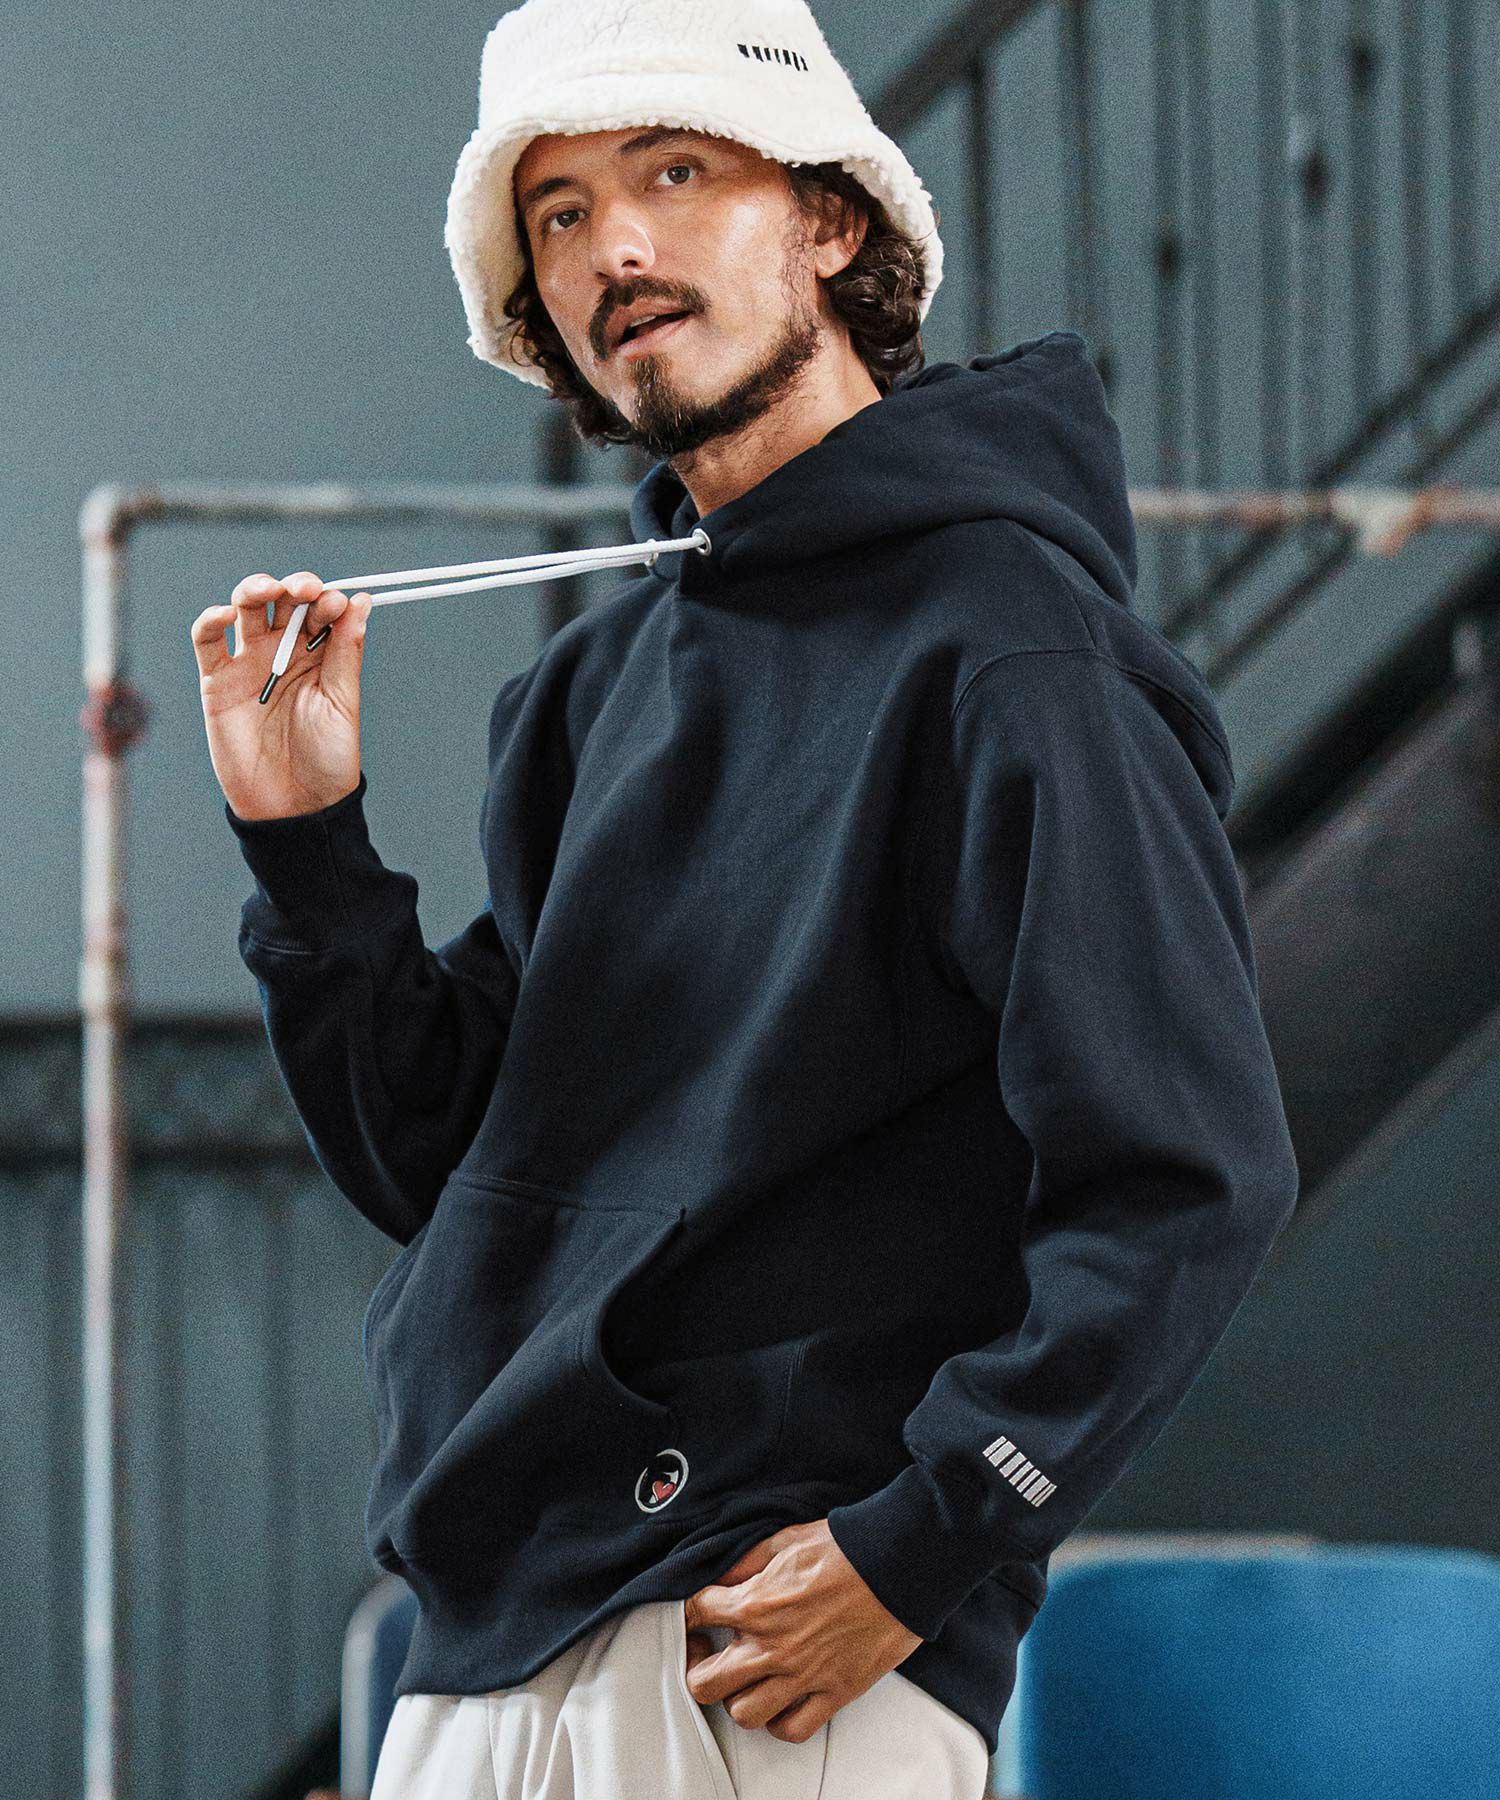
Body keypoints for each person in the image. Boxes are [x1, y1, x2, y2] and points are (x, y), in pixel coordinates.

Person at [190, 1, 1301, 1795]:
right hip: (485, 1632)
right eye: (557, 214)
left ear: (832, 221)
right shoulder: (590, 691)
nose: (613, 246)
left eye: (677, 173)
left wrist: (932, 1536)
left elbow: (1190, 1172)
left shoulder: (1017, 657)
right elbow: (448, 1165)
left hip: (768, 1648)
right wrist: (308, 850)